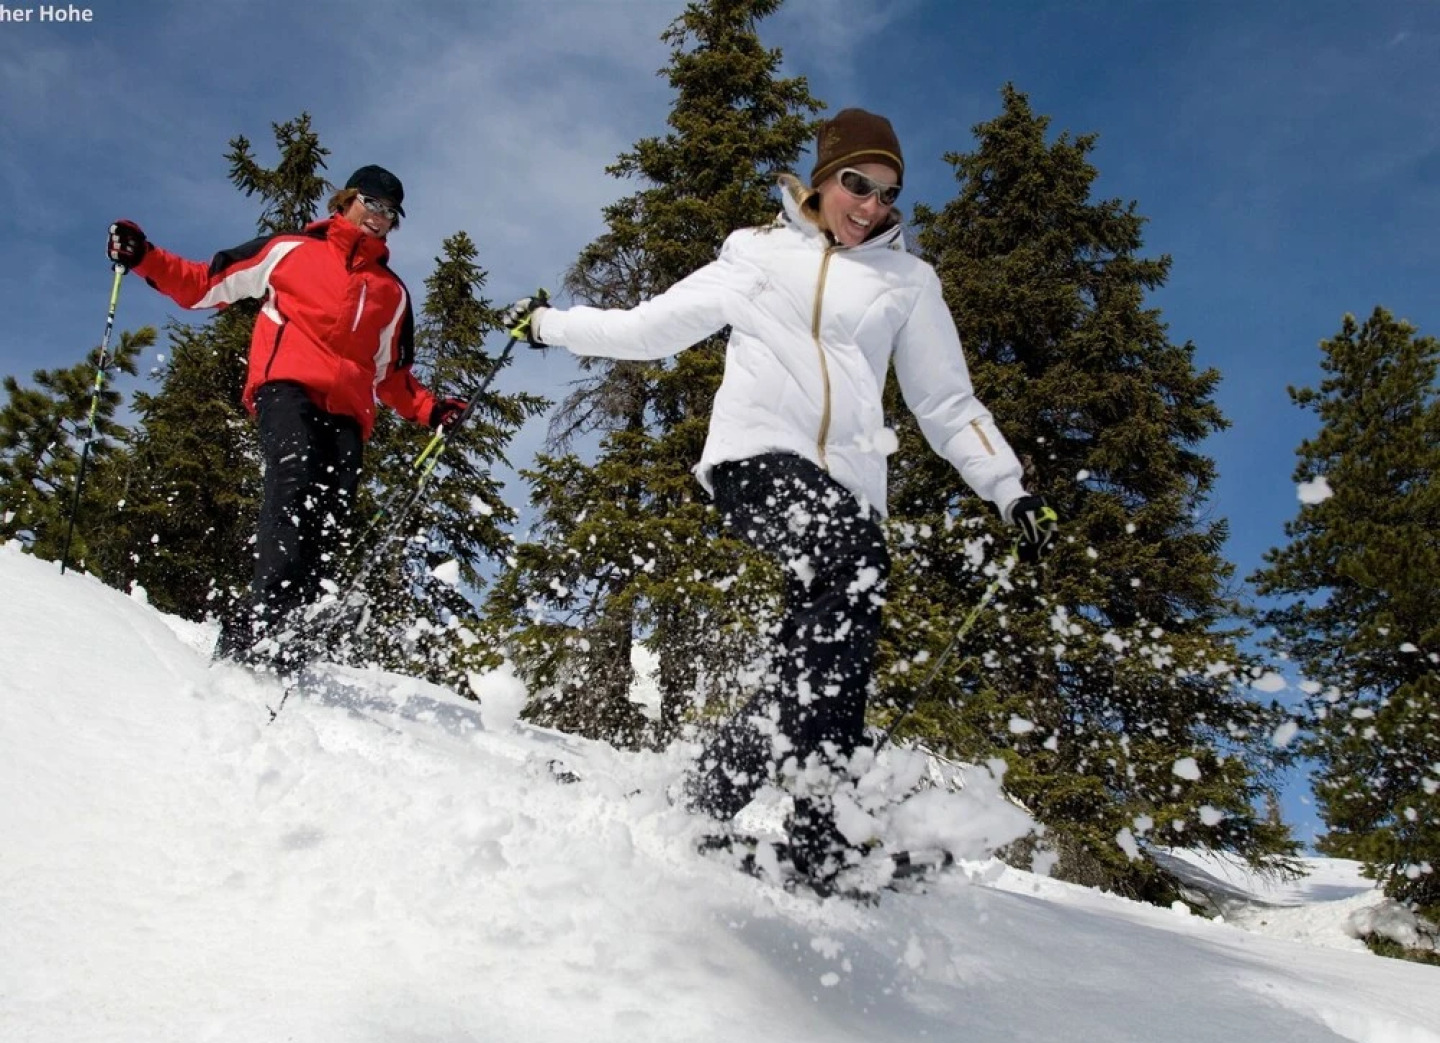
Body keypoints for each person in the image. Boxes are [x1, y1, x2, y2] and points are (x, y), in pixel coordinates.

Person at [503, 109, 1059, 886]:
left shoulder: (908, 282)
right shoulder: (755, 255)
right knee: (855, 566)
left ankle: (706, 796)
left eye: (887, 193)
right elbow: (647, 329)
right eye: (855, 185)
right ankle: (819, 827)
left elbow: (946, 404)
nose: (869, 207)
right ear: (823, 177)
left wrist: (1011, 490)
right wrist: (550, 326)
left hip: (852, 489)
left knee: (817, 655)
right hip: (756, 460)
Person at [108, 165, 465, 672]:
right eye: (370, 201)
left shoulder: (392, 294)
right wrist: (145, 257)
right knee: (293, 485)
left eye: (389, 212)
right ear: (344, 201)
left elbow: (392, 377)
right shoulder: (292, 249)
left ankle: (285, 642)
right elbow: (205, 285)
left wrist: (433, 410)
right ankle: (256, 633)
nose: (377, 216)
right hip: (287, 386)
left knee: (330, 523)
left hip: (347, 412)